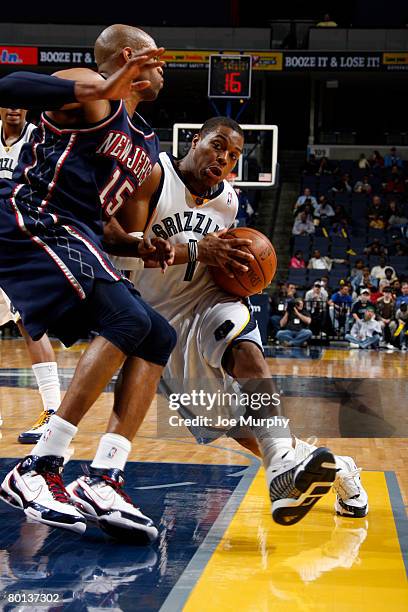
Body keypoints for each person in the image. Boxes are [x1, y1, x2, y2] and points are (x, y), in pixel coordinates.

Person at [114, 117, 367, 523]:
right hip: (160, 323)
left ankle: (283, 464)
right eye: (217, 146)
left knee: (244, 346)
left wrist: (239, 270)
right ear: (194, 141)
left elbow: (220, 261)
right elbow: (124, 254)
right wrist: (199, 251)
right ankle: (338, 467)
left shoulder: (228, 201)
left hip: (209, 300)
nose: (224, 159)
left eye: (233, 156)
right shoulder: (155, 177)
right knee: (237, 427)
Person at [0, 24, 178, 541]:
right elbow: (10, 87)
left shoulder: (145, 145)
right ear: (129, 58)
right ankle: (38, 467)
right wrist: (102, 87)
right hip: (30, 218)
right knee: (126, 317)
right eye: (157, 60)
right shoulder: (91, 90)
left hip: (77, 236)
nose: (163, 70)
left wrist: (140, 243)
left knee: (156, 334)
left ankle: (105, 476)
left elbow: (108, 226)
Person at [0, 108, 61, 441]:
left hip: (24, 245)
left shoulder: (40, 139)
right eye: (8, 103)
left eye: (21, 104)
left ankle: (52, 412)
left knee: (31, 325)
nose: (14, 109)